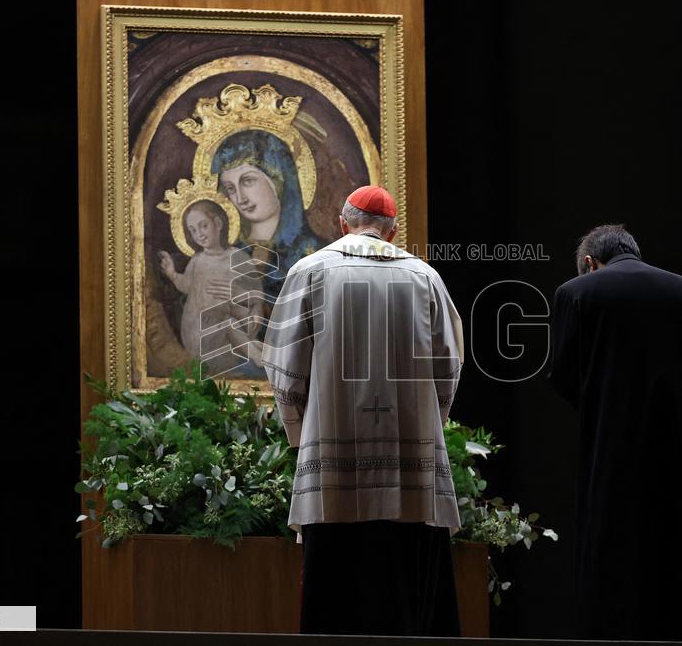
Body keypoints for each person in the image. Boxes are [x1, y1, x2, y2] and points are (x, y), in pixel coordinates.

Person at [262, 185, 465, 636]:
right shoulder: (424, 277)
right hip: (409, 468)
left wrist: (300, 431)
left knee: (336, 603)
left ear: (342, 223)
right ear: (392, 232)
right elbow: (448, 366)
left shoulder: (310, 271)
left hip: (335, 467)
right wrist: (431, 423)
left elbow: (283, 366)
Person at [548, 224, 682, 640]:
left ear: (589, 263)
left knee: (617, 551)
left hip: (613, 448)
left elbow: (563, 376)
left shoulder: (576, 293)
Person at [212, 129, 325, 301]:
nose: (240, 198)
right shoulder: (227, 256)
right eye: (230, 188)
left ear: (278, 180)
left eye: (248, 181)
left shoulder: (313, 252)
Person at [158, 199, 264, 375]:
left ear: (218, 223)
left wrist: (251, 304)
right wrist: (173, 274)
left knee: (240, 314)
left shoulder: (239, 258)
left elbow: (256, 295)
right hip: (200, 332)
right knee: (228, 322)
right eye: (193, 231)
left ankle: (255, 346)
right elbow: (186, 286)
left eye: (203, 226)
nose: (199, 234)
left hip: (229, 332)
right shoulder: (198, 261)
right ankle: (255, 354)